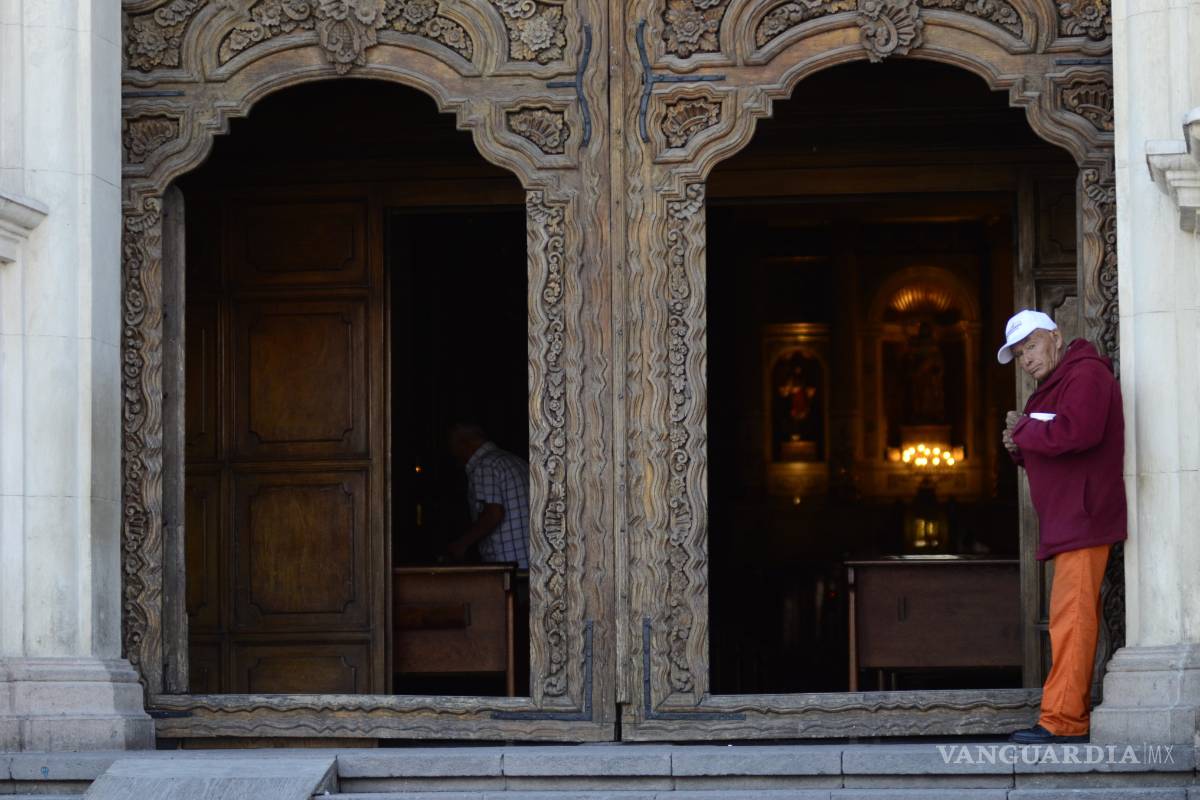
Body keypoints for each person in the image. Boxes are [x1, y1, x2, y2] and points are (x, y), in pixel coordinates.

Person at [997, 309, 1127, 744]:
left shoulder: (1085, 375)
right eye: (1019, 354)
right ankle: (1062, 715)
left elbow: (1079, 432)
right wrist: (1020, 444)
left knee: (1071, 620)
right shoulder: (1055, 384)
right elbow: (1049, 439)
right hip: (1070, 519)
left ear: (1055, 336)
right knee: (1067, 619)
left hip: (1083, 518)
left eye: (1030, 346)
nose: (1026, 359)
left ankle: (1064, 720)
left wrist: (1026, 431)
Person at [446, 422, 531, 569]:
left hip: (509, 567)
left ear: (463, 442)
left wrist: (462, 544)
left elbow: (494, 514)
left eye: (451, 444)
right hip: (531, 562)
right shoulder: (517, 461)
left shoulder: (484, 465)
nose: (451, 451)